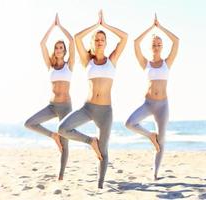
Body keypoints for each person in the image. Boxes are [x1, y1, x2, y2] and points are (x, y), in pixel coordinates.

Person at [58, 10, 127, 189]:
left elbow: (125, 37)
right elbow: (76, 37)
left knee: (103, 151)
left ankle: (100, 186)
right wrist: (96, 26)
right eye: (96, 39)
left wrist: (105, 26)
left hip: (105, 112)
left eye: (102, 39)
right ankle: (90, 141)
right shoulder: (87, 60)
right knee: (62, 128)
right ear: (93, 42)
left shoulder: (112, 59)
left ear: (105, 43)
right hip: (88, 108)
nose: (99, 41)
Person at [125, 14, 179, 180]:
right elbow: (135, 43)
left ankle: (155, 174)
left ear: (162, 47)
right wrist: (151, 28)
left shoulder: (167, 62)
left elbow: (176, 41)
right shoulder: (145, 63)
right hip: (148, 104)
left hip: (162, 106)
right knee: (129, 123)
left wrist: (160, 27)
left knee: (161, 140)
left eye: (159, 44)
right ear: (151, 47)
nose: (156, 46)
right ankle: (150, 136)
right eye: (154, 44)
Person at [24, 14, 75, 181]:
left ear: (65, 51)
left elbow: (73, 41)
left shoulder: (69, 65)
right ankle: (53, 136)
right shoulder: (50, 66)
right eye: (57, 47)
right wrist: (52, 27)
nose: (59, 50)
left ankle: (60, 176)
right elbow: (42, 44)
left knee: (65, 144)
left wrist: (61, 26)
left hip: (66, 107)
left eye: (61, 47)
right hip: (52, 106)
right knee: (29, 123)